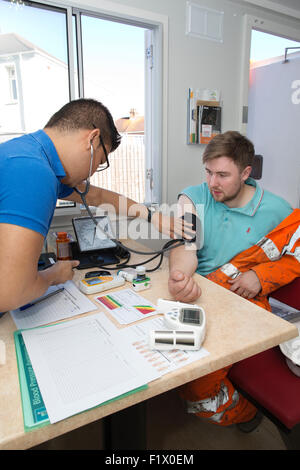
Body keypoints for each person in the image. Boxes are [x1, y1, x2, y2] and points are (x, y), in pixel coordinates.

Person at [0, 98, 193, 314]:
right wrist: (55, 275)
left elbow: (97, 196)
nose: (92, 173)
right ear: (92, 138)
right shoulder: (33, 172)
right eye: (100, 161)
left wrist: (151, 216)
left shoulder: (26, 154)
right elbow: (11, 293)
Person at [168, 130, 300, 431]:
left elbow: (295, 257)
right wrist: (181, 275)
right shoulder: (193, 196)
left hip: (246, 302)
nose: (212, 183)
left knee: (196, 389)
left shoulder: (278, 210)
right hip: (201, 293)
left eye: (223, 175)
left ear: (246, 173)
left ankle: (245, 412)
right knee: (168, 357)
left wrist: (262, 275)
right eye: (209, 172)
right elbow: (184, 246)